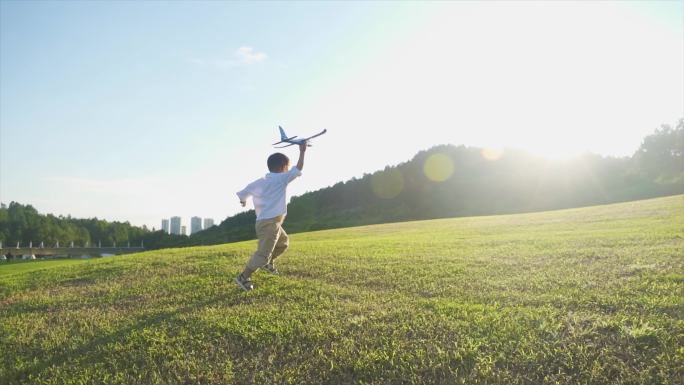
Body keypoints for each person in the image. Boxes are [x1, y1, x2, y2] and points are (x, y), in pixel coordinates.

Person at [234, 142, 307, 291]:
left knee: (283, 243)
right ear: (283, 167)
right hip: (269, 224)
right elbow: (298, 169)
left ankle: (268, 264)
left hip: (271, 223)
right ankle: (243, 277)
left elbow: (242, 194)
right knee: (263, 254)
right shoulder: (281, 178)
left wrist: (243, 202)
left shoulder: (258, 182)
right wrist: (302, 151)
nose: (288, 170)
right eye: (287, 167)